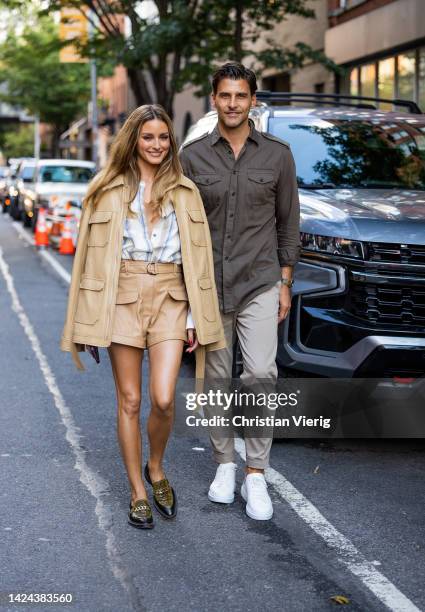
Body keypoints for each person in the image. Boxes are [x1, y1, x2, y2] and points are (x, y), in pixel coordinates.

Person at [61, 104, 225, 530]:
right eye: (147, 137)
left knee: (165, 397)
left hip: (172, 296)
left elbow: (198, 260)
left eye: (163, 137)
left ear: (171, 142)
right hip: (121, 296)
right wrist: (89, 322)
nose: (156, 145)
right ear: (133, 139)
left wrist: (192, 314)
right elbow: (89, 264)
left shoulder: (185, 191)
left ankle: (156, 466)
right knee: (130, 399)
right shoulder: (107, 189)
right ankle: (137, 489)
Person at [180, 62, 300, 521]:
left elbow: (289, 223)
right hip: (207, 285)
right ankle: (224, 465)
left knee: (260, 374)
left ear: (253, 100)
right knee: (212, 378)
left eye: (241, 96)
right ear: (214, 99)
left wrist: (286, 282)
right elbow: (181, 228)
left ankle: (256, 473)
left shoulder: (278, 155)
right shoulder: (192, 157)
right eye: (225, 96)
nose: (233, 104)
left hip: (261, 279)